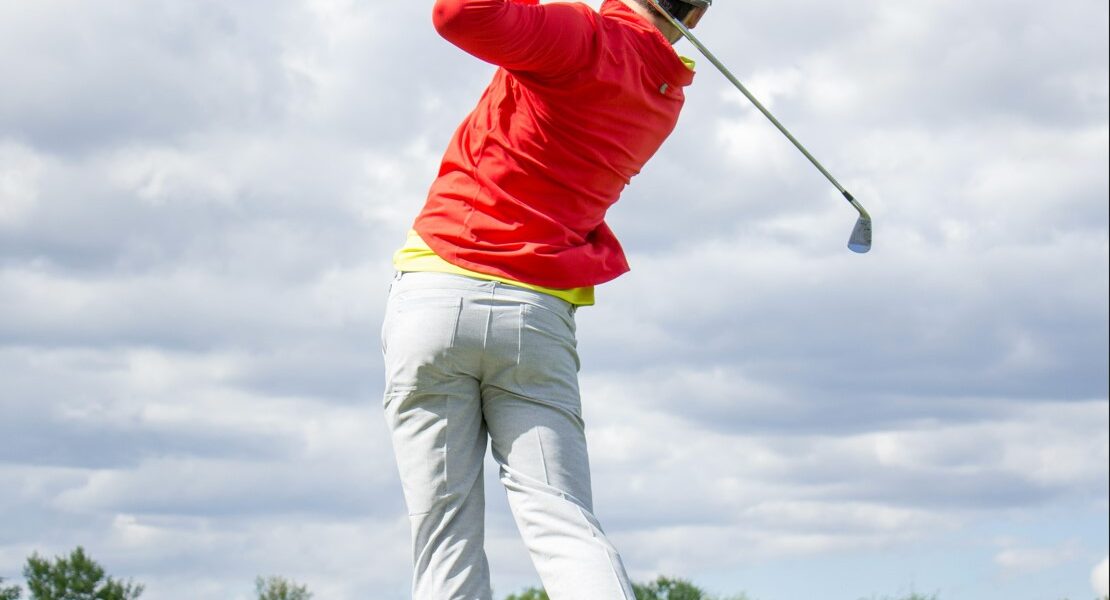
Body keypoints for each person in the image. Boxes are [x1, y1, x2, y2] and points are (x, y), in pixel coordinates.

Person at [381, 0, 710, 597]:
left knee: (444, 538)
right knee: (562, 520)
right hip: (536, 319)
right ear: (699, 13)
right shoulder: (665, 97)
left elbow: (459, 14)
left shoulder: (584, 37)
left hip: (438, 289)